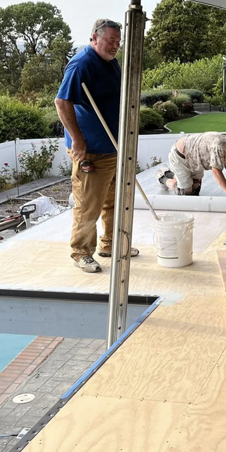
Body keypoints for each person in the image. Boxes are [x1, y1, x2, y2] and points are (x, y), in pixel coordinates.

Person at [55, 18, 138, 273]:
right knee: (88, 204)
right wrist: (78, 140)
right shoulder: (82, 64)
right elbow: (62, 102)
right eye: (110, 40)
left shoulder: (111, 62)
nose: (115, 46)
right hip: (91, 150)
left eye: (118, 41)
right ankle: (81, 253)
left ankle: (110, 244)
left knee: (114, 200)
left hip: (113, 146)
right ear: (94, 38)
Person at [158, 130, 226, 196]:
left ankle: (170, 174)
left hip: (196, 160)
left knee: (195, 190)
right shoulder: (219, 145)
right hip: (181, 157)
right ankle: (162, 178)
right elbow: (216, 171)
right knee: (186, 193)